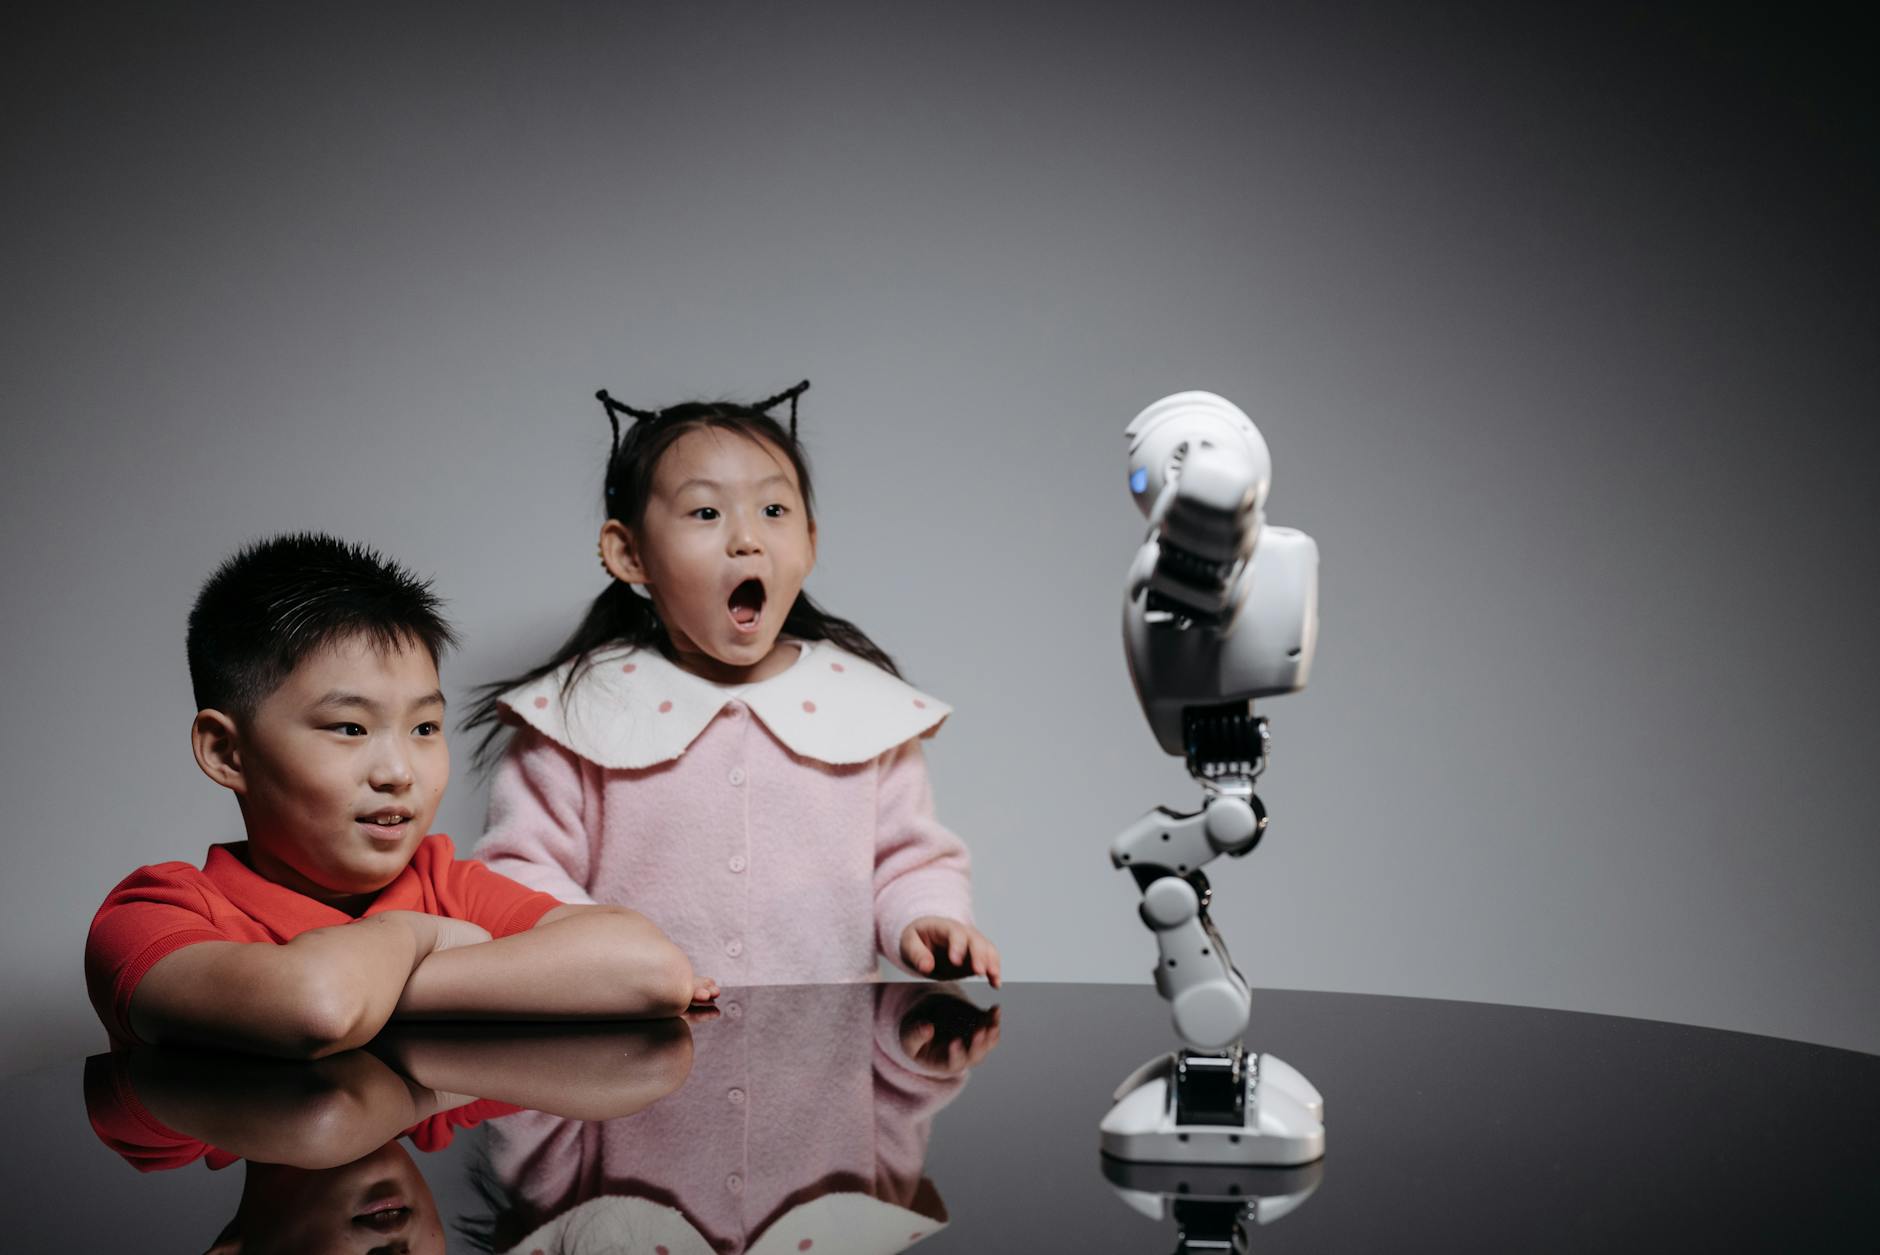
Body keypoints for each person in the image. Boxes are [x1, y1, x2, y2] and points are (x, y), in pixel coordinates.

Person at [84, 534, 707, 1059]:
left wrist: (390, 989)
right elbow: (317, 1007)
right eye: (350, 728)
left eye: (425, 729)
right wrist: (414, 934)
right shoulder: (151, 917)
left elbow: (649, 970)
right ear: (226, 752)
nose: (398, 772)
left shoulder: (445, 884)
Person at [465, 382, 1000, 987]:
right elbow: (520, 867)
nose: (747, 539)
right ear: (629, 553)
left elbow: (909, 861)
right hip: (639, 1037)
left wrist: (926, 919)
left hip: (824, 1041)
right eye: (706, 512)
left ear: (810, 542)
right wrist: (611, 955)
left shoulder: (862, 708)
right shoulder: (579, 711)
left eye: (773, 511)